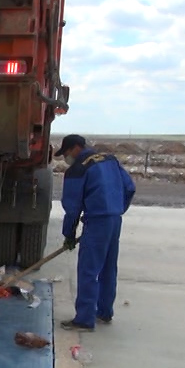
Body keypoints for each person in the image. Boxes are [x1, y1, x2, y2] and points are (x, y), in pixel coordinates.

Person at [55, 134, 136, 332]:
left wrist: (69, 234)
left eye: (66, 153)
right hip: (114, 220)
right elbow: (130, 188)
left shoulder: (78, 169)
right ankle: (104, 312)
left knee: (88, 270)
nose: (66, 158)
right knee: (108, 267)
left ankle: (84, 319)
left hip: (97, 222)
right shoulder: (110, 160)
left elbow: (72, 207)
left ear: (75, 148)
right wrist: (116, 210)